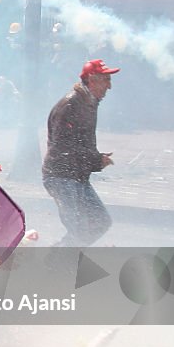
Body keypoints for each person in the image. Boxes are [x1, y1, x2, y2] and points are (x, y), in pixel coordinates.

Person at [42, 59, 119, 247]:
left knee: (100, 222)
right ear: (92, 80)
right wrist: (95, 159)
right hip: (61, 177)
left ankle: (57, 257)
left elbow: (79, 142)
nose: (109, 86)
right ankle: (57, 264)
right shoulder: (71, 105)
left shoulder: (89, 103)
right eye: (106, 80)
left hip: (76, 176)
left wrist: (96, 160)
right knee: (80, 230)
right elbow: (63, 147)